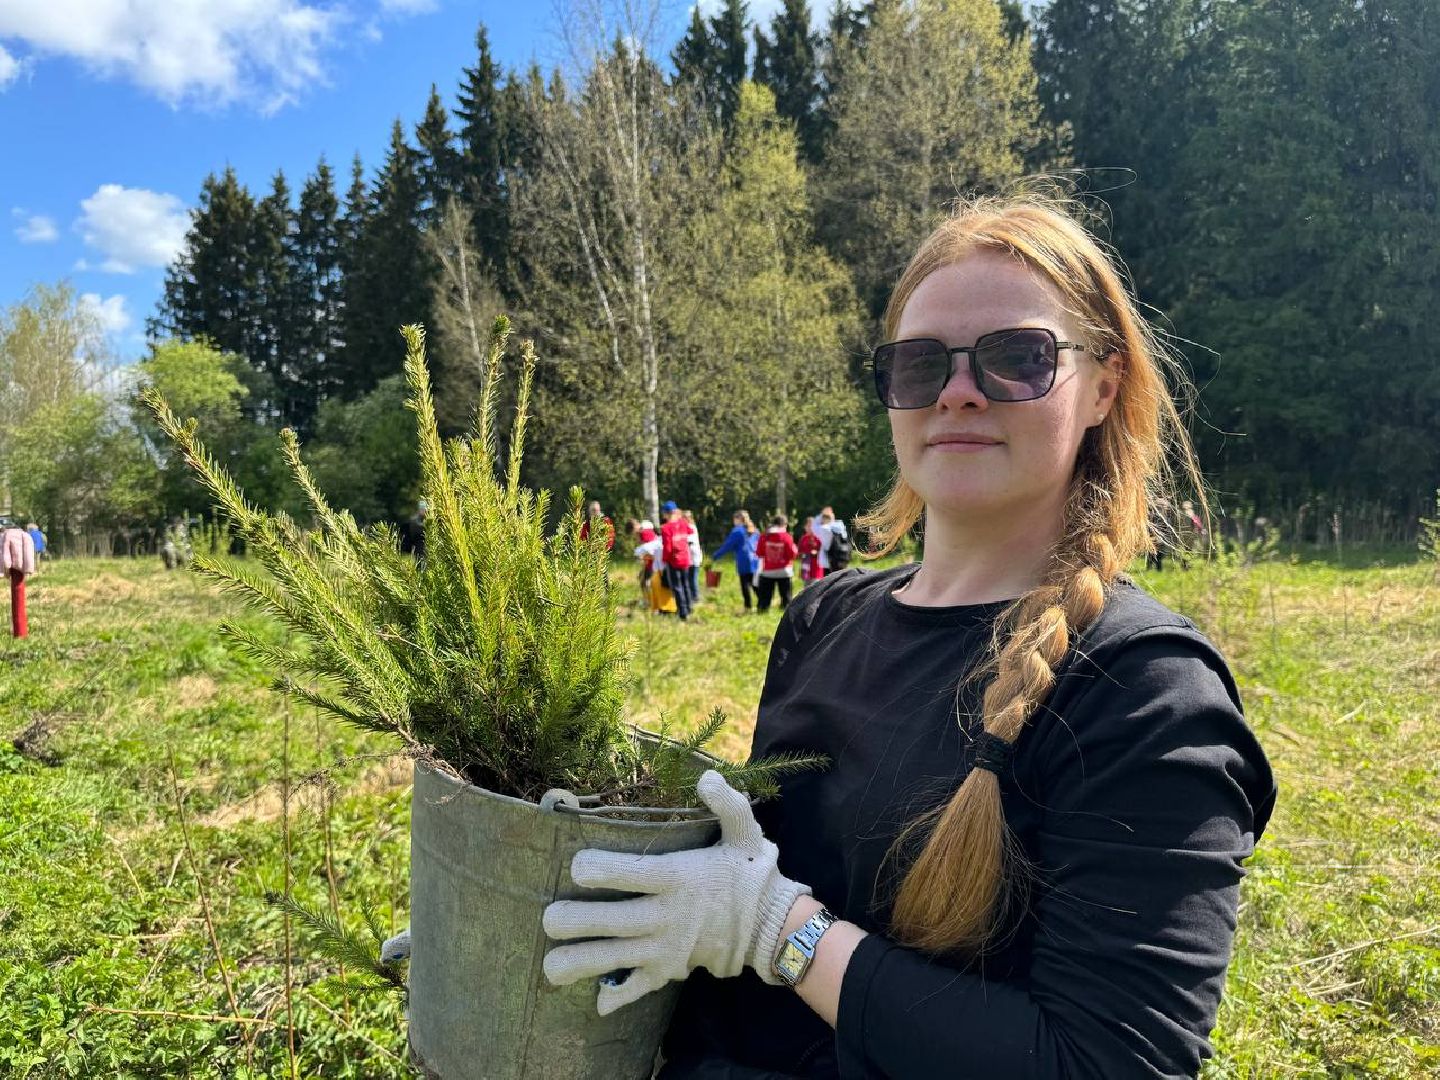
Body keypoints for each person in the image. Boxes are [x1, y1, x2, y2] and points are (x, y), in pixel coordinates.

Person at [539, 191, 1276, 1078]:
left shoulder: (1147, 691)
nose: (958, 393)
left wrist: (784, 932)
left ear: (1103, 387)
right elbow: (743, 887)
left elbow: (1109, 1064)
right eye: (920, 366)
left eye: (1016, 357)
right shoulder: (821, 618)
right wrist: (533, 900)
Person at [712, 510, 761, 611]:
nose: (733, 521)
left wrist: (716, 555)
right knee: (755, 584)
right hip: (755, 560)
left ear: (739, 519)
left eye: (734, 519)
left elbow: (727, 546)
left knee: (745, 585)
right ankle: (763, 604)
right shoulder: (755, 530)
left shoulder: (737, 531)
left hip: (744, 560)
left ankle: (748, 606)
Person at [752, 514, 798, 612]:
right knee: (786, 595)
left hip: (767, 571)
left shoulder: (764, 536)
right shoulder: (787, 536)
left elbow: (759, 553)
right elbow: (792, 554)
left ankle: (763, 609)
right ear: (784, 524)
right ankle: (786, 610)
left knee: (765, 595)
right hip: (784, 570)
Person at [659, 501, 695, 622]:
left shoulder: (665, 528)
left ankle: (683, 613)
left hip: (673, 561)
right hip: (685, 558)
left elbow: (668, 547)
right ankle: (689, 608)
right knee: (686, 584)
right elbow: (691, 531)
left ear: (665, 514)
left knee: (677, 586)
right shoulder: (683, 523)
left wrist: (664, 560)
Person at [683, 510, 704, 603]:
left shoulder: (691, 527)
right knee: (689, 578)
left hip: (693, 556)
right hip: (689, 557)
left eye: (686, 517)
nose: (685, 519)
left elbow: (688, 540)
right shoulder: (687, 527)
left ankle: (695, 597)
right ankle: (691, 596)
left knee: (692, 578)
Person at [400, 499, 428, 564]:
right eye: (421, 509)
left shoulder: (432, 520)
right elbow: (409, 537)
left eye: (424, 509)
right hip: (419, 547)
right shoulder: (413, 521)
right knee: (420, 563)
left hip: (429, 547)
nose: (423, 511)